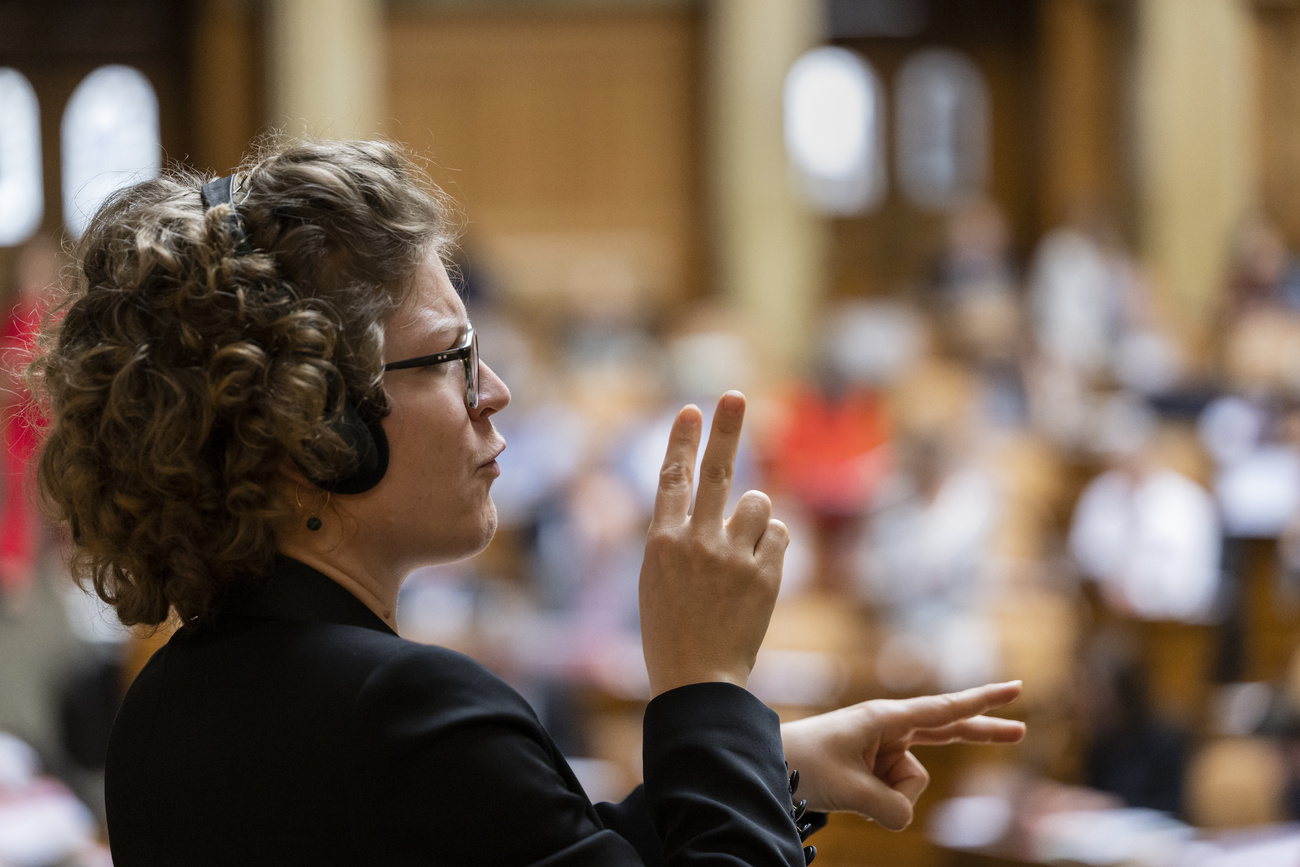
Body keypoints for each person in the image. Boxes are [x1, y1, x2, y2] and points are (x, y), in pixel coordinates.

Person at [28, 138, 1025, 866]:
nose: (494, 391)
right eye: (451, 358)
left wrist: (764, 764)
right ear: (314, 422)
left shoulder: (165, 709)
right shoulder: (409, 714)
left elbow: (548, 854)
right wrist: (705, 685)